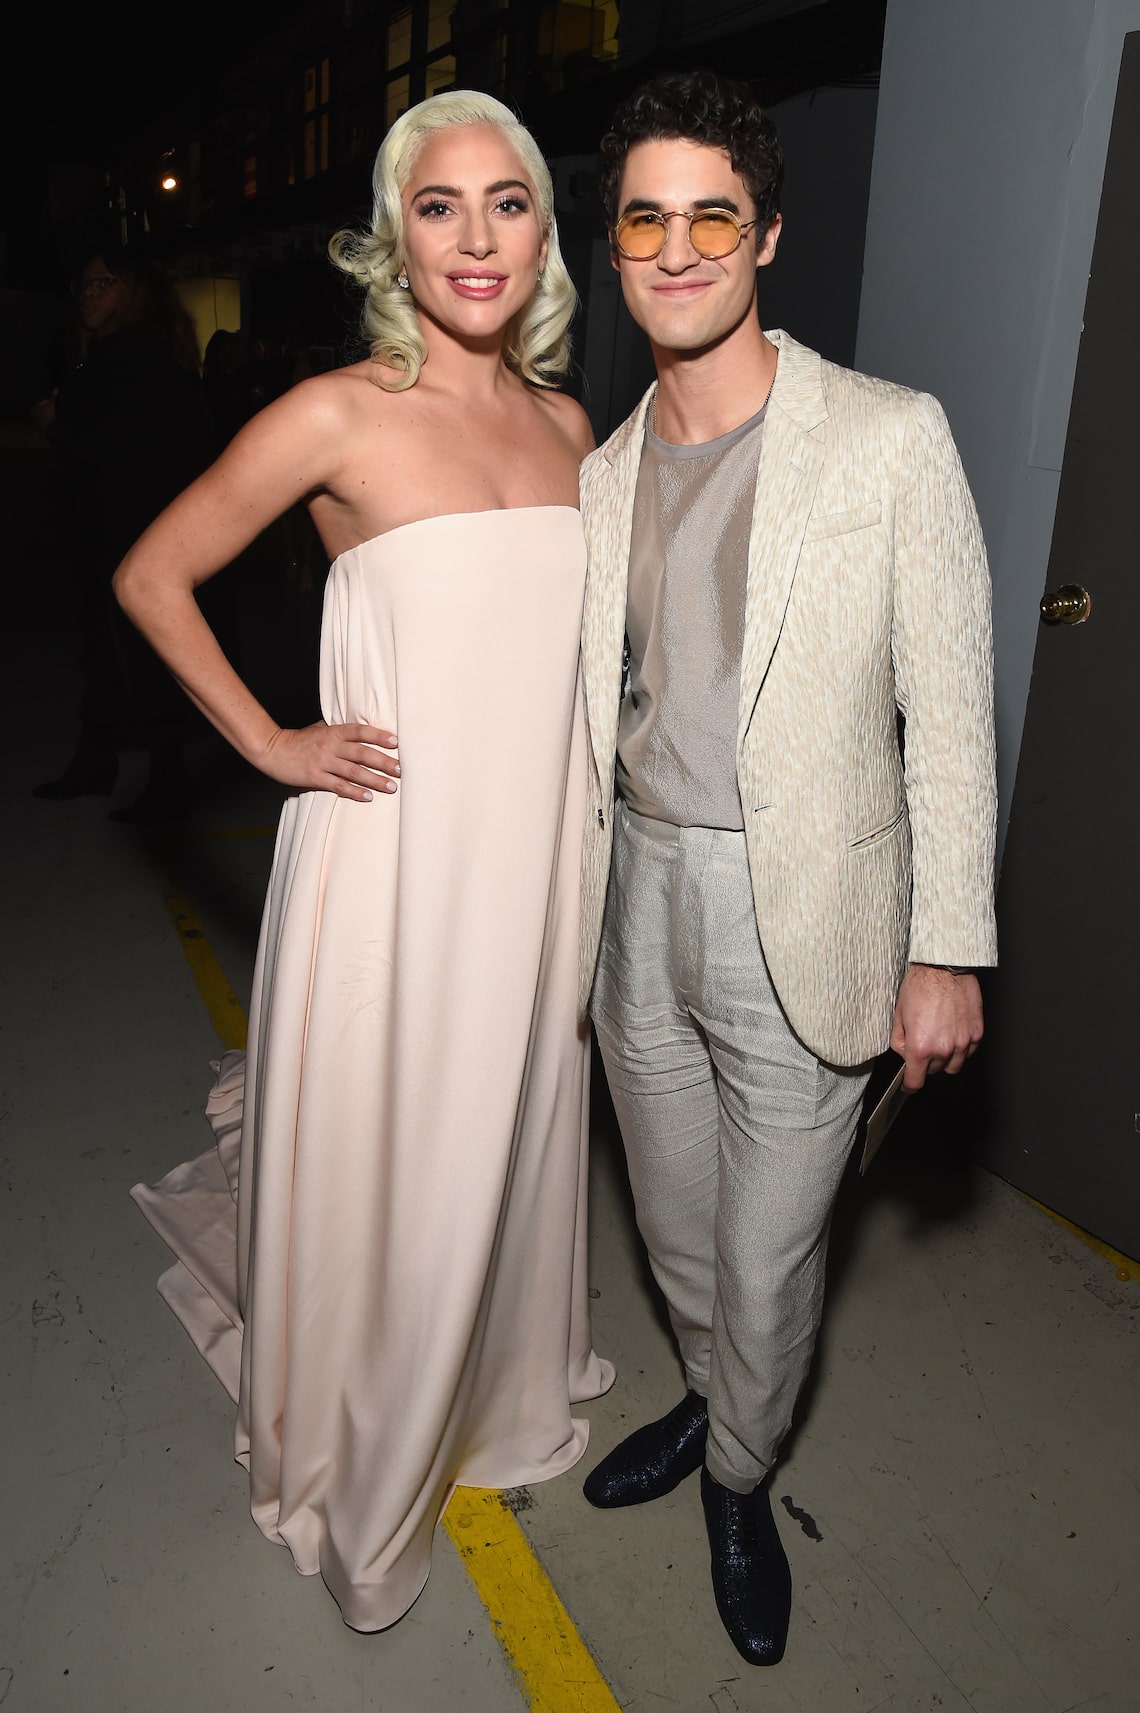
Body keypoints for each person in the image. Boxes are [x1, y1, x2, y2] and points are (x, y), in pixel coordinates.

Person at [116, 90, 613, 1632]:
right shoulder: (337, 411)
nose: (478, 238)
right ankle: (373, 1441)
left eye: (509, 203)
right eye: (442, 205)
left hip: (534, 862)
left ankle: (489, 1376)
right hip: (396, 856)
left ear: (544, 232)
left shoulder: (569, 426)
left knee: (506, 1127)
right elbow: (154, 572)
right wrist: (271, 743)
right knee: (405, 1133)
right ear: (396, 234)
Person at [575, 70, 997, 1667]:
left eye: (711, 217)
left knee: (766, 1253)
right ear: (615, 246)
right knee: (682, 1233)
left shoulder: (889, 440)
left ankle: (739, 1479)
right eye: (644, 217)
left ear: (766, 236)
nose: (676, 250)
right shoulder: (600, 474)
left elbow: (952, 713)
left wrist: (946, 946)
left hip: (805, 913)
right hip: (639, 914)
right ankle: (709, 1398)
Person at [31, 245, 220, 822]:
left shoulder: (134, 355)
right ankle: (97, 760)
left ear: (133, 290)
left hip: (133, 531)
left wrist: (55, 427)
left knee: (138, 650)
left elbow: (128, 451)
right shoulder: (116, 353)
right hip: (115, 528)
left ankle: (169, 778)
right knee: (106, 649)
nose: (89, 294)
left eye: (103, 283)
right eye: (83, 286)